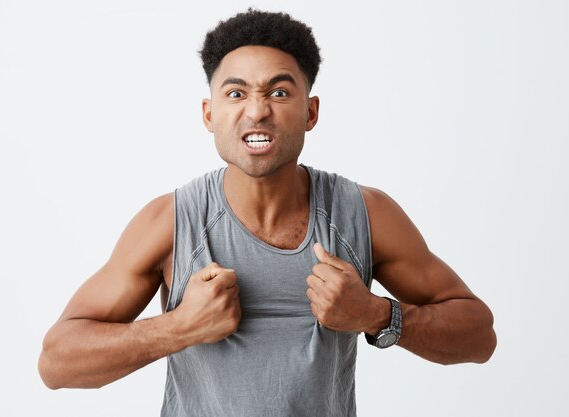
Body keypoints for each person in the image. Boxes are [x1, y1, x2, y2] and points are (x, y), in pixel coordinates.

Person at [38, 9, 496, 417]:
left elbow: (479, 336)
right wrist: (178, 328)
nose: (257, 111)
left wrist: (375, 314)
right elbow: (57, 362)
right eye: (235, 94)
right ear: (209, 113)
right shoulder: (171, 222)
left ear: (310, 111)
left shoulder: (365, 214)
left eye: (279, 92)